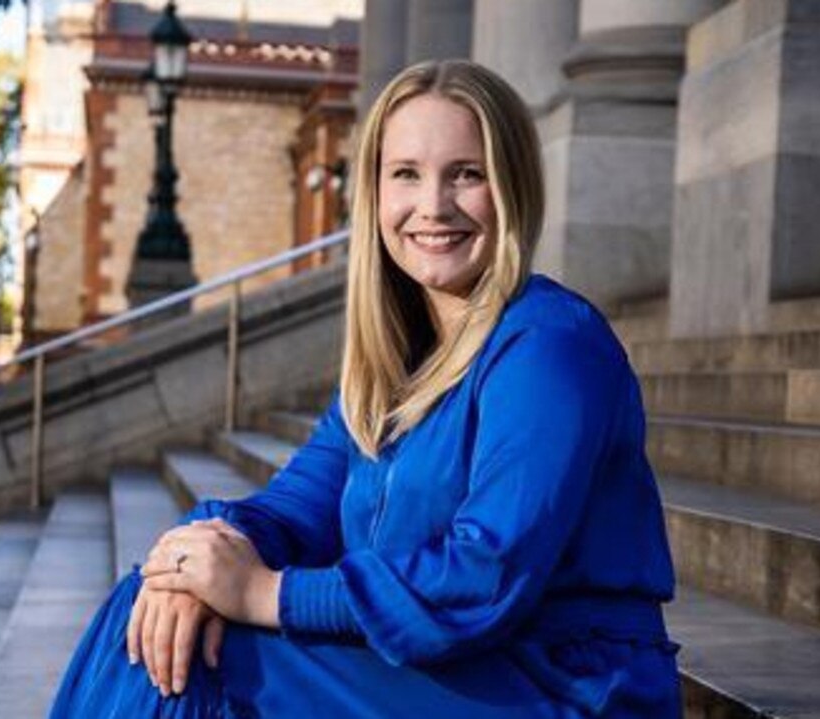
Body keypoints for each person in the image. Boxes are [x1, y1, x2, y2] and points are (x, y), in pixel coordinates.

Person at [50, 59, 680, 718]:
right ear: (375, 194)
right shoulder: (397, 363)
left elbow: (480, 578)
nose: (433, 206)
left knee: (210, 654)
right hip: (455, 668)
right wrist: (189, 560)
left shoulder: (550, 345)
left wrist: (264, 593)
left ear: (511, 186)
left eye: (467, 174)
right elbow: (293, 511)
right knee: (150, 610)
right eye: (406, 174)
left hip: (562, 684)